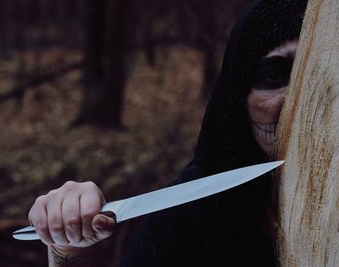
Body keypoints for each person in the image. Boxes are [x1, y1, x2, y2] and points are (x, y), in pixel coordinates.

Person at [27, 0, 308, 266]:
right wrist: (67, 251)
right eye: (274, 76)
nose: (305, 96)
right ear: (236, 100)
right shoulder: (188, 220)